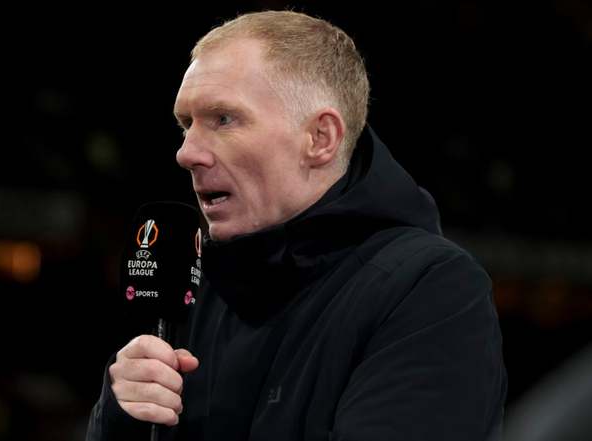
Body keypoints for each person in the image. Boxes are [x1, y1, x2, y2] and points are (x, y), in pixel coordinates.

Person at [86, 10, 507, 441]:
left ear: (320, 138)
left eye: (223, 119)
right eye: (186, 124)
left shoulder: (430, 289)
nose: (186, 153)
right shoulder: (194, 289)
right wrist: (120, 421)